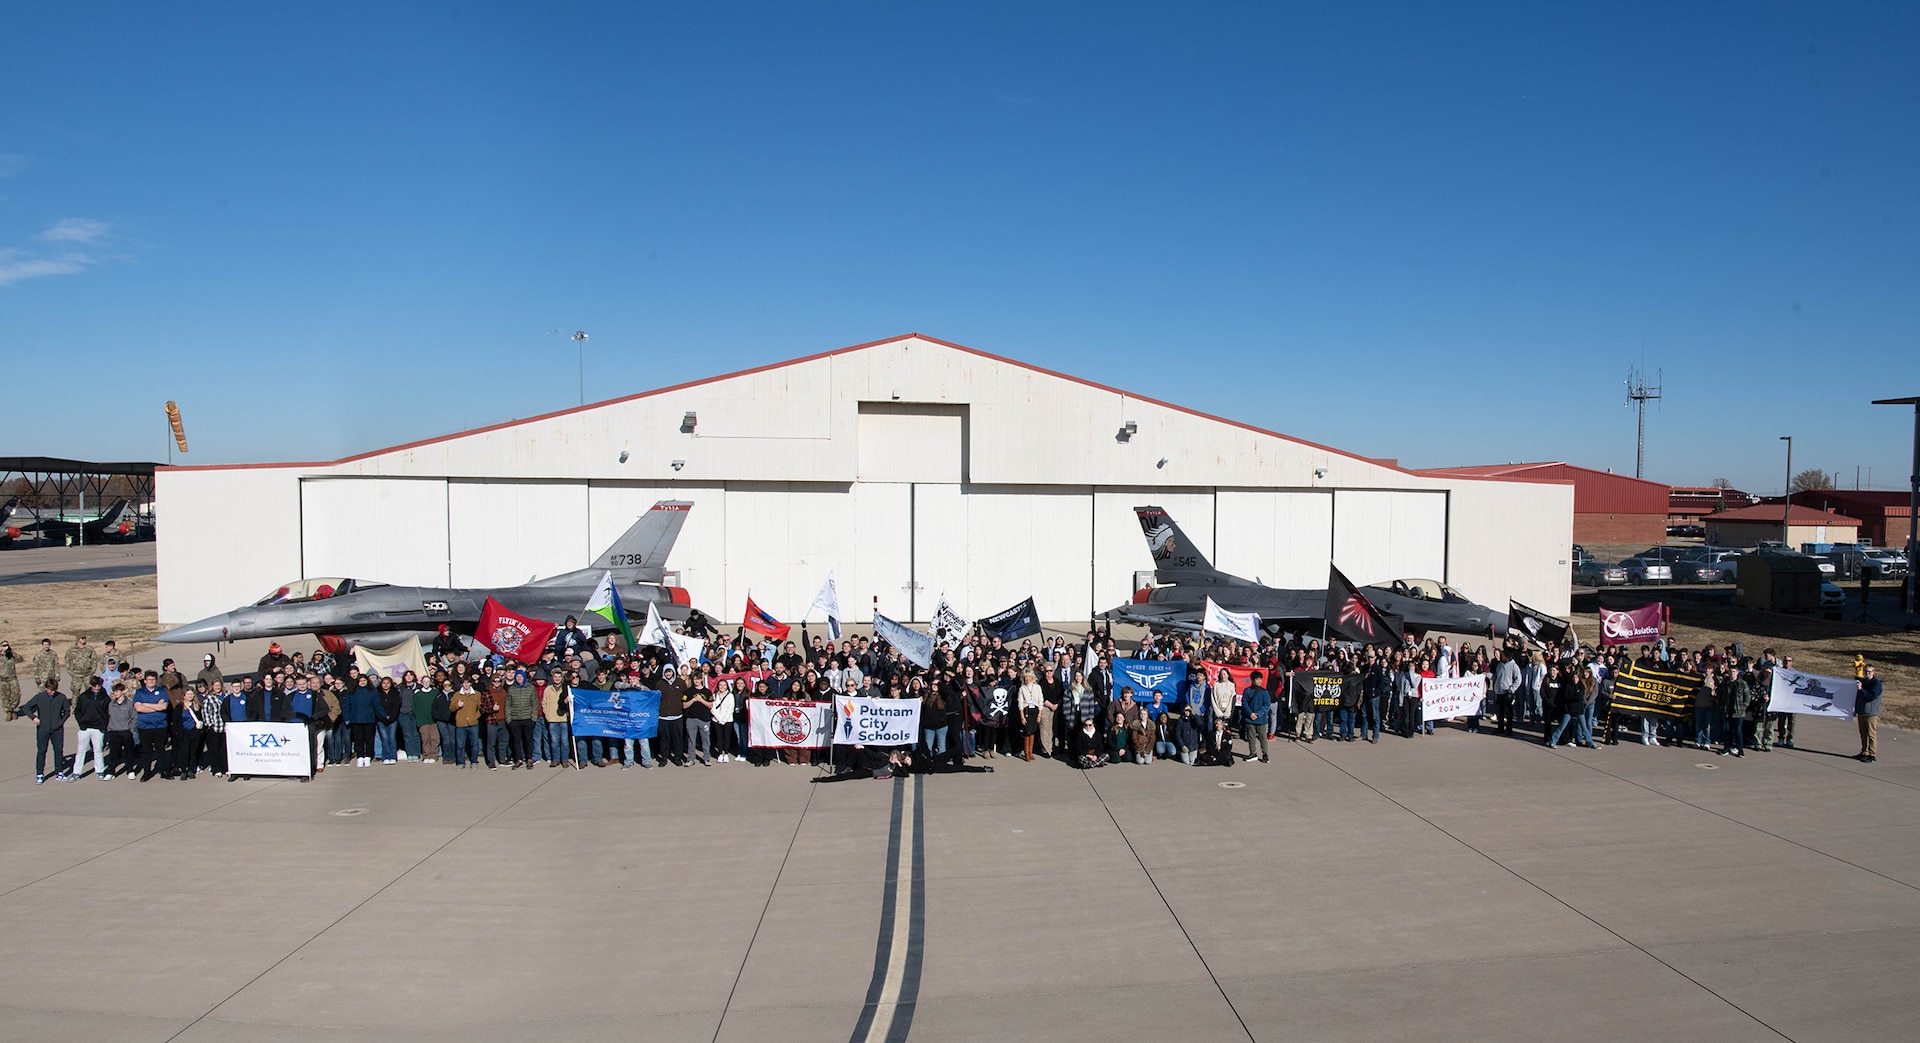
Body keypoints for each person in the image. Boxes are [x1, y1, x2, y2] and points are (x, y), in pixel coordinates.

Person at [19, 679, 73, 783]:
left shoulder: (61, 697)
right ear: (46, 689)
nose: (53, 692)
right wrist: (33, 718)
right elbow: (26, 708)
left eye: (54, 690)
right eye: (51, 690)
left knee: (58, 751)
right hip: (43, 729)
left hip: (57, 729)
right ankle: (40, 774)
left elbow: (67, 711)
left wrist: (60, 722)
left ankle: (59, 772)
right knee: (41, 751)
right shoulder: (39, 697)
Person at [133, 673, 172, 781]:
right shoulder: (139, 692)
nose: (151, 681)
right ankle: (147, 772)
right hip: (145, 726)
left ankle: (163, 770)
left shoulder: (162, 691)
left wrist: (146, 704)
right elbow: (139, 708)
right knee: (147, 751)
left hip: (160, 725)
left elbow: (163, 706)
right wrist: (156, 706)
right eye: (149, 679)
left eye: (153, 679)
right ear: (144, 681)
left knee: (160, 749)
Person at [72, 675, 111, 779]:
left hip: (98, 728)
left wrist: (104, 724)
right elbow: (77, 711)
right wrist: (81, 723)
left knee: (98, 750)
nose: (96, 688)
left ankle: (100, 770)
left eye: (98, 686)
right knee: (81, 750)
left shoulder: (105, 697)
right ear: (90, 685)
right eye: (94, 686)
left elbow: (108, 712)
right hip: (85, 727)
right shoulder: (83, 696)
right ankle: (76, 772)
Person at [343, 675, 377, 768]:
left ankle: (368, 757)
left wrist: (384, 715)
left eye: (364, 680)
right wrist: (346, 718)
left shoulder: (372, 691)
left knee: (369, 740)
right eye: (360, 680)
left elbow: (377, 705)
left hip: (369, 719)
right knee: (359, 740)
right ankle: (360, 757)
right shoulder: (352, 691)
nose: (362, 682)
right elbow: (346, 706)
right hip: (356, 719)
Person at [1242, 671, 1271, 761]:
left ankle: (1265, 754)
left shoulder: (1264, 692)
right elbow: (1244, 703)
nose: (1259, 681)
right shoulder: (1247, 691)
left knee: (1263, 738)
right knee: (1251, 737)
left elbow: (1267, 705)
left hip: (1261, 719)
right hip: (1250, 718)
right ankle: (1253, 753)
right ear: (1252, 680)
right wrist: (1250, 713)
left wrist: (1258, 714)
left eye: (1260, 679)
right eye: (1257, 679)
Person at [1856, 665, 1882, 764]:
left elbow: (1871, 696)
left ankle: (1872, 754)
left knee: (1871, 734)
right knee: (1863, 733)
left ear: (1873, 672)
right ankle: (1864, 752)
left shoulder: (1876, 684)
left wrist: (1861, 689)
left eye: (1869, 672)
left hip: (1871, 712)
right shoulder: (1863, 682)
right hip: (1862, 711)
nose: (1867, 673)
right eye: (1866, 671)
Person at [0, 639, 21, 721]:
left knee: (16, 695)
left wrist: (13, 652)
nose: (6, 647)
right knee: (5, 696)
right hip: (2, 679)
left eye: (7, 645)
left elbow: (20, 659)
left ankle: (12, 708)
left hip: (12, 678)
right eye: (4, 646)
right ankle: (9, 712)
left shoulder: (11, 655)